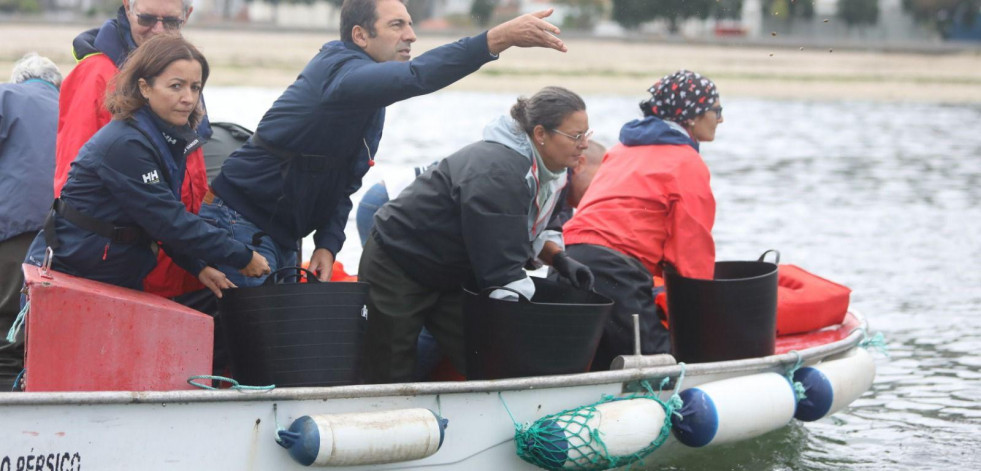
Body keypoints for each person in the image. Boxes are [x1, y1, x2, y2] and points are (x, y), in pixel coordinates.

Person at [201, 0, 568, 287]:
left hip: (282, 234)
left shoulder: (370, 101)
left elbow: (344, 182)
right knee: (256, 345)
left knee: (271, 348)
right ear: (360, 36)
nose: (411, 35)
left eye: (410, 24)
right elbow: (416, 77)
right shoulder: (339, 73)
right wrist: (497, 39)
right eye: (397, 25)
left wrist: (328, 243)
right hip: (237, 221)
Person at [360, 86, 595, 384]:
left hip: (451, 268)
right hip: (399, 261)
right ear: (540, 134)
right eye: (576, 136)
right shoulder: (499, 171)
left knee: (483, 351)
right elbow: (501, 270)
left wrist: (560, 259)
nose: (584, 144)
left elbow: (538, 226)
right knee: (390, 365)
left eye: (587, 134)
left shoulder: (555, 171)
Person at [23, 36, 269, 302]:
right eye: (176, 86)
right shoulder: (125, 144)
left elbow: (154, 219)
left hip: (111, 275)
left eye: (195, 87)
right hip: (70, 277)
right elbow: (168, 220)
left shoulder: (162, 138)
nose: (188, 98)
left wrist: (198, 267)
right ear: (145, 87)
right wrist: (241, 255)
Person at [560, 70, 723, 370]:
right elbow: (690, 256)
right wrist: (704, 324)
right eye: (717, 110)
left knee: (583, 364)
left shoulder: (621, 150)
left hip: (565, 261)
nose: (721, 119)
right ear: (692, 116)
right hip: (615, 274)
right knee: (662, 364)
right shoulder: (687, 162)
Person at [56, 0, 211, 299]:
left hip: (182, 255)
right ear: (127, 8)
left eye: (170, 22)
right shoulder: (97, 74)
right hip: (129, 264)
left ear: (187, 16)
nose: (158, 30)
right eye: (148, 19)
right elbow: (71, 187)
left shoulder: (182, 77)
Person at [0, 53, 62, 391]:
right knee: (33, 341)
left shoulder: (7, 95)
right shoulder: (72, 107)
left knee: (5, 338)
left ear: (18, 79)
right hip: (62, 244)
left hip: (10, 236)